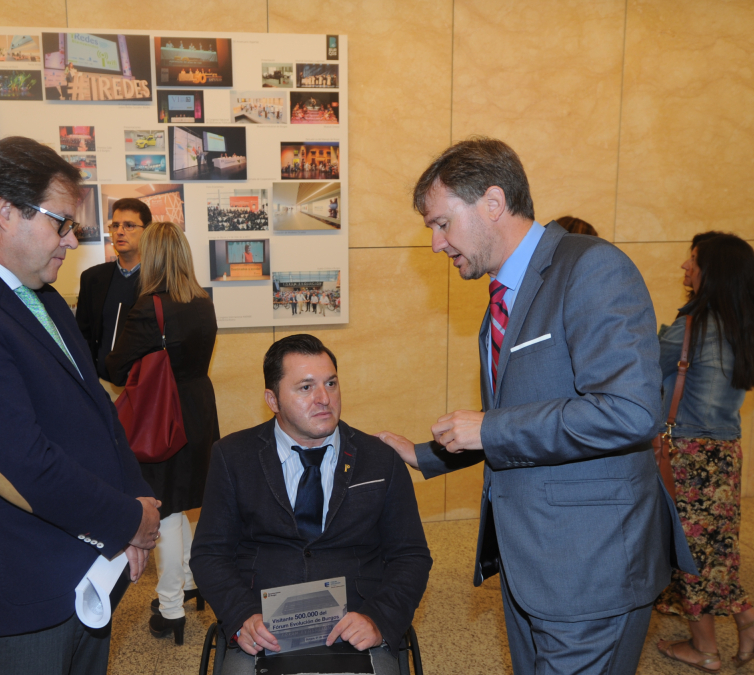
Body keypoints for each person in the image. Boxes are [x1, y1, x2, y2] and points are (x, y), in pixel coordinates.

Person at [378, 137, 696, 675]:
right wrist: (424, 455)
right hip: (534, 566)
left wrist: (489, 428)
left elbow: (630, 410)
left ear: (493, 203)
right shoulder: (504, 297)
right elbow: (519, 417)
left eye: (441, 224)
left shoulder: (592, 269)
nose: (436, 244)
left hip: (589, 568)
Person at [0, 137, 160, 674]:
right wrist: (129, 520)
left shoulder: (40, 295)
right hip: (23, 585)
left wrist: (137, 502)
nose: (71, 239)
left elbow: (99, 414)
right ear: (6, 211)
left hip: (87, 571)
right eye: (61, 222)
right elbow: (17, 462)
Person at [191, 335, 431, 675]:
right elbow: (208, 553)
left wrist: (379, 619)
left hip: (356, 622)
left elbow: (411, 555)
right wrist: (242, 617)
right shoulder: (233, 457)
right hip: (264, 626)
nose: (323, 398)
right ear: (272, 399)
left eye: (330, 383)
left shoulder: (380, 460)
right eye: (305, 388)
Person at [655, 232, 754, 671]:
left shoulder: (695, 324)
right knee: (712, 550)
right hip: (724, 453)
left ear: (713, 271)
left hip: (687, 454)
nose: (685, 269)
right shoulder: (743, 324)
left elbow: (646, 362)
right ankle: (748, 626)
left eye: (692, 261)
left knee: (690, 552)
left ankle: (710, 647)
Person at [105, 221, 219, 645]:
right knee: (184, 502)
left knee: (164, 509)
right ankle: (191, 581)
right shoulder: (202, 301)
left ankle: (171, 609)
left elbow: (116, 367)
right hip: (198, 408)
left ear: (151, 257)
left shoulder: (148, 307)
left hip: (162, 417)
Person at [76, 198, 152, 380]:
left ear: (147, 231)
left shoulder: (160, 280)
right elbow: (82, 335)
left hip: (147, 387)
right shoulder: (92, 279)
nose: (119, 232)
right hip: (102, 383)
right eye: (115, 225)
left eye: (129, 225)